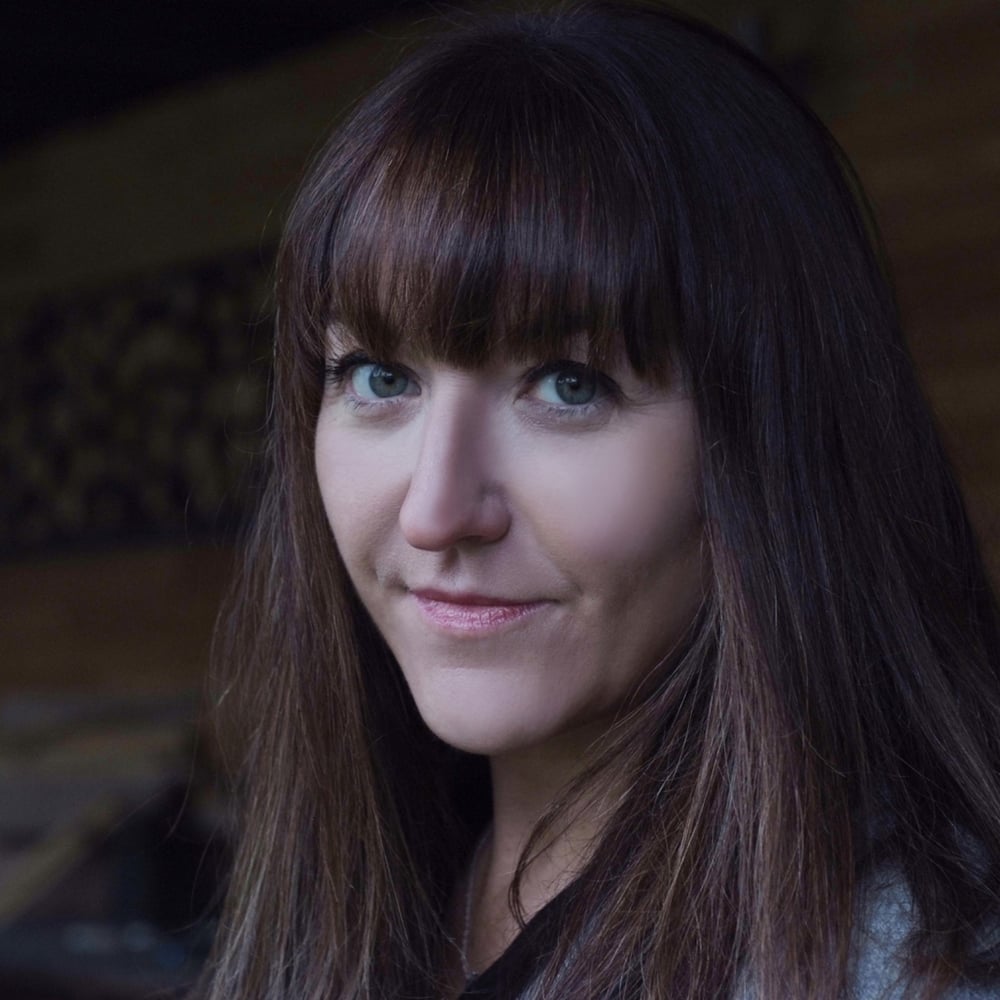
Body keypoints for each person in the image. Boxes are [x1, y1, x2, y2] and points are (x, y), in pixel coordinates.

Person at [199, 3, 1000, 998]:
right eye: (380, 377)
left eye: (569, 386)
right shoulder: (361, 889)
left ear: (769, 445)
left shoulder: (906, 969)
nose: (435, 511)